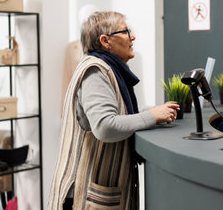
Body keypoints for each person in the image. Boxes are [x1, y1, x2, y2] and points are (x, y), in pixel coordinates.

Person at [48, 11, 180, 210]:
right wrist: (152, 116)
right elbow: (105, 126)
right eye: (126, 31)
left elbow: (121, 112)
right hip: (82, 196)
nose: (132, 36)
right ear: (105, 41)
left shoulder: (108, 68)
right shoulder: (95, 71)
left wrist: (156, 111)